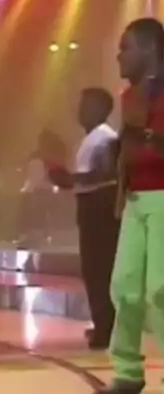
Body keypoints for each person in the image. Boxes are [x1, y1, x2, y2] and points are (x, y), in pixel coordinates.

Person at [92, 18, 164, 394]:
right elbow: (130, 147)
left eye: (126, 47)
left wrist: (145, 138)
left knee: (160, 290)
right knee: (125, 287)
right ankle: (128, 373)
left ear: (150, 48)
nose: (119, 56)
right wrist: (121, 189)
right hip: (137, 199)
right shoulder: (129, 96)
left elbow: (146, 141)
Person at [49, 88, 120, 349]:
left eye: (87, 105)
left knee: (99, 268)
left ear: (102, 109)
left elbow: (109, 173)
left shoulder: (105, 137)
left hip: (100, 208)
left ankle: (106, 328)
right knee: (94, 268)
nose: (80, 110)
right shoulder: (93, 138)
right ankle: (101, 324)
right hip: (92, 206)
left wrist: (71, 179)